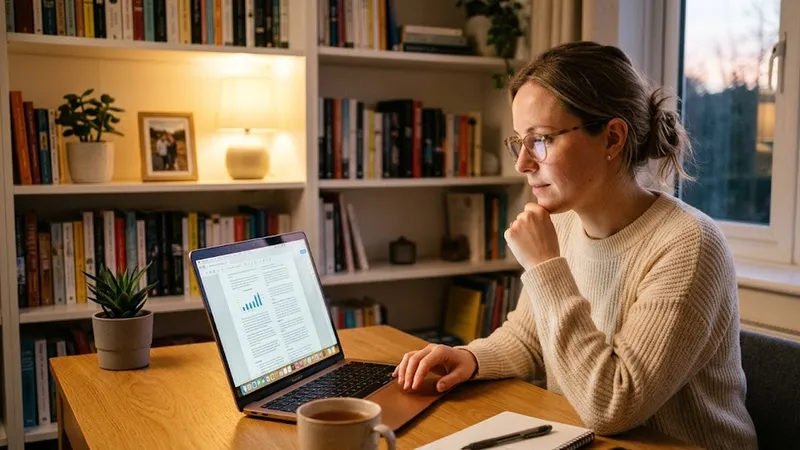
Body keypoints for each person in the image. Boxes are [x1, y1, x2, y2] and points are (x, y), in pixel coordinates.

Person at [392, 41, 758, 450]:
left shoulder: (689, 245)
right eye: (520, 142)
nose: (523, 164)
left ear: (612, 138)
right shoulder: (564, 224)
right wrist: (472, 359)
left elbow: (613, 405)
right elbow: (530, 338)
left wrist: (546, 268)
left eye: (542, 140)